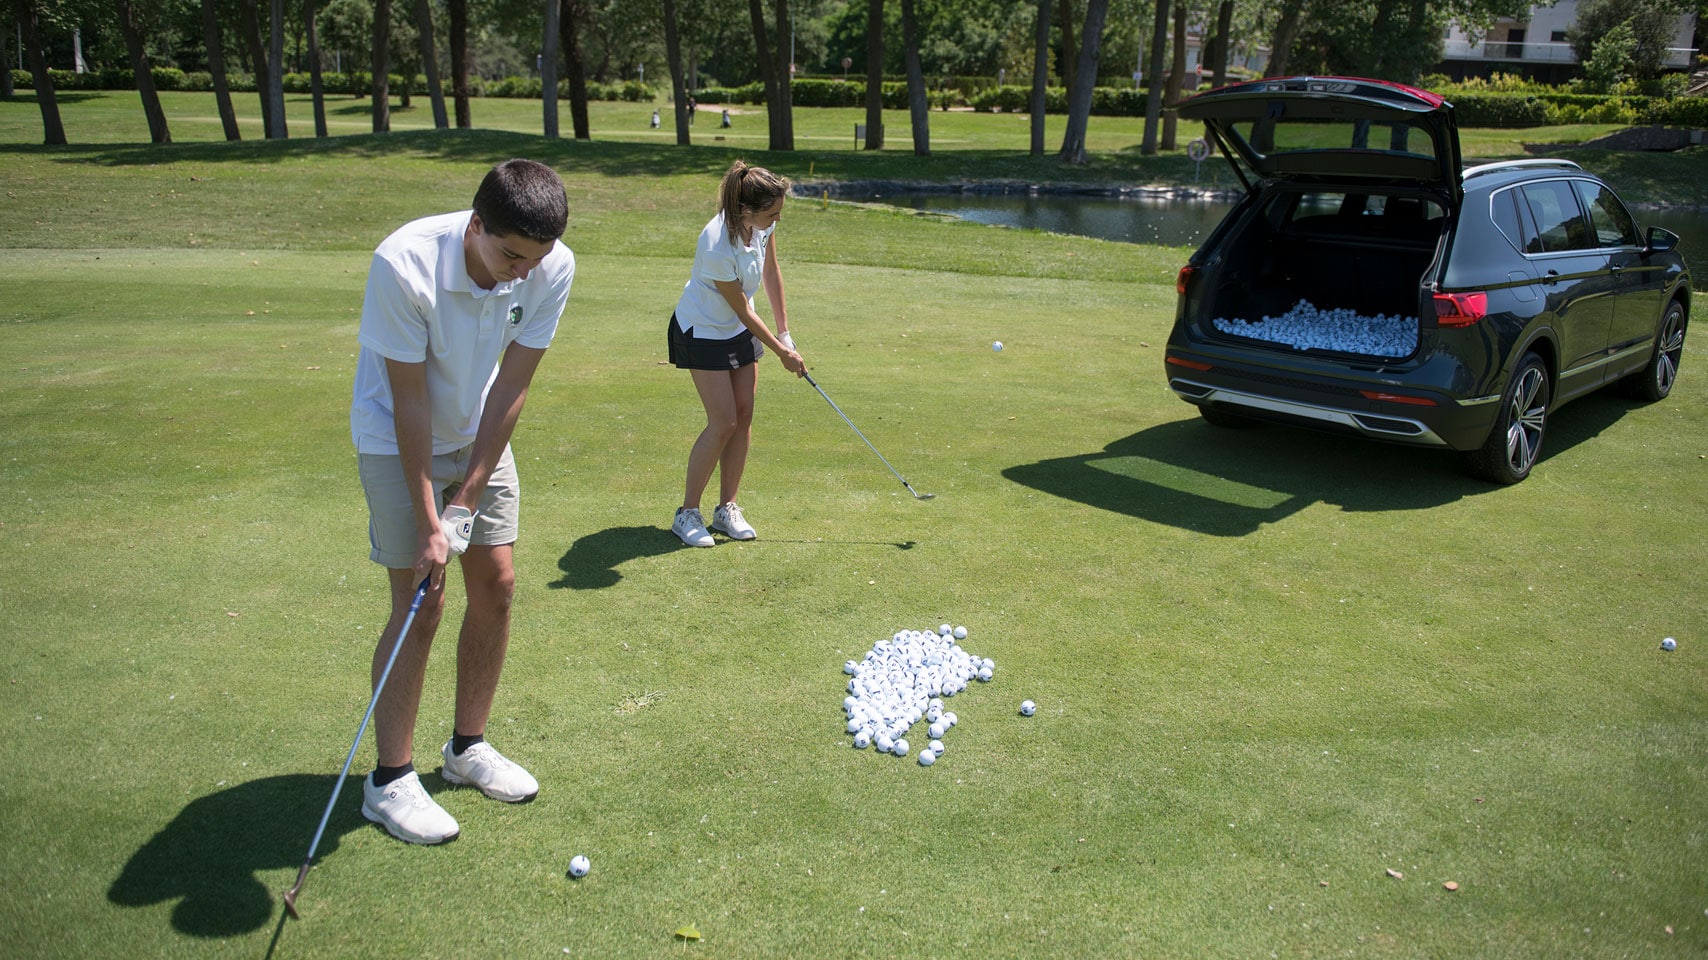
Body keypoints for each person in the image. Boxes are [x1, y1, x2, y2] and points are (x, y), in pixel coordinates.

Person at [348, 158, 575, 844]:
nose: (522, 271)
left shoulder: (551, 267)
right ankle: (389, 781)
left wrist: (467, 499)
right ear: (475, 225)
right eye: (510, 254)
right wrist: (430, 522)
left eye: (535, 259)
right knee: (423, 598)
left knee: (498, 585)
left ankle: (465, 749)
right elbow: (408, 402)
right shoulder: (404, 265)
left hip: (479, 432)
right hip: (396, 436)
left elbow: (512, 388)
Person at [667, 160, 804, 548]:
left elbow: (771, 273)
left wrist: (785, 332)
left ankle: (726, 508)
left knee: (743, 415)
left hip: (740, 331)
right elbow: (741, 306)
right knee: (723, 420)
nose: (777, 219)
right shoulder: (715, 243)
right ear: (746, 210)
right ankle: (686, 513)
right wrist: (781, 353)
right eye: (772, 213)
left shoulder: (763, 225)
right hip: (702, 330)